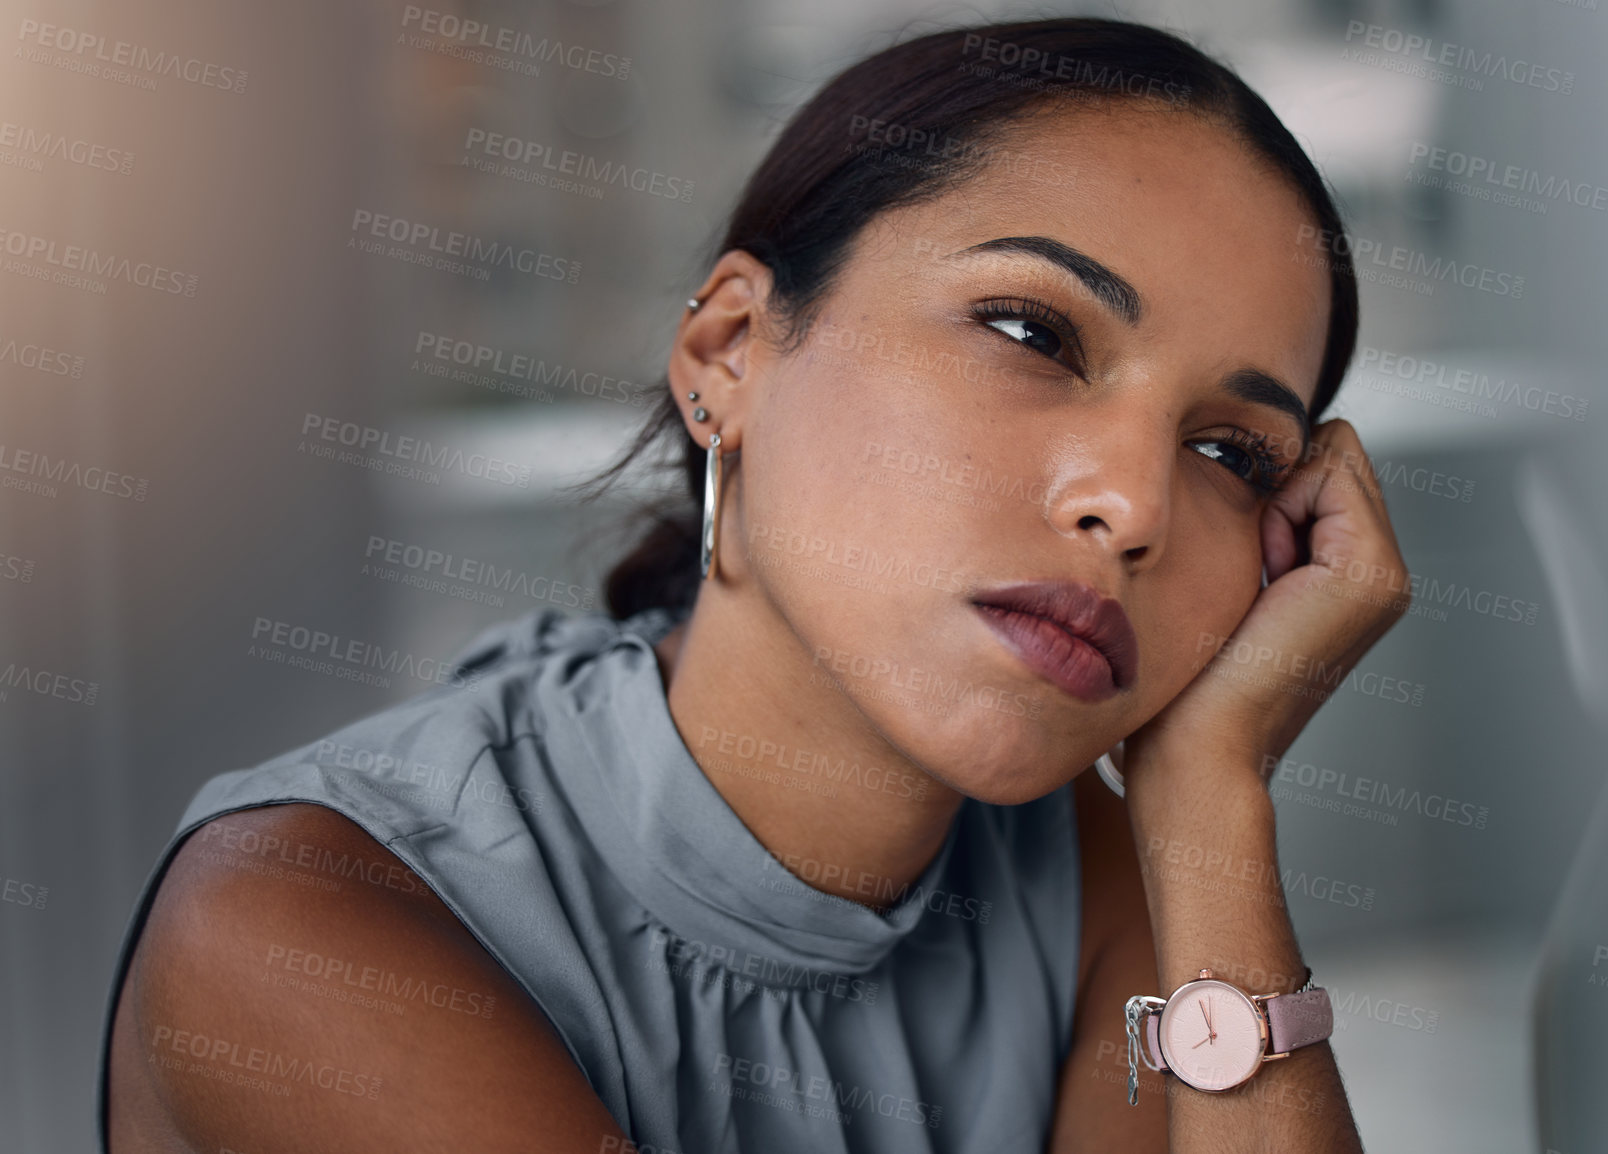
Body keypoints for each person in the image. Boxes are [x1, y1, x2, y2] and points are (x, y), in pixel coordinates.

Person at [99, 16, 1409, 1153]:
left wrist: (1211, 803)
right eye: (1032, 330)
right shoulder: (300, 917)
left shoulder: (1090, 871)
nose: (1130, 507)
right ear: (729, 353)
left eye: (1234, 452)